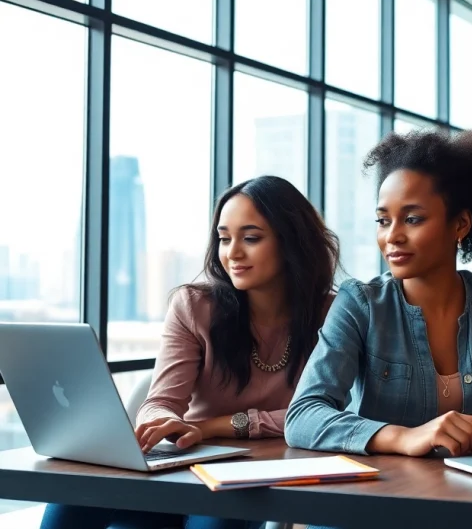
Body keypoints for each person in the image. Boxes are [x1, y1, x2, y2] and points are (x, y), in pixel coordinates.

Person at [40, 176, 340, 529]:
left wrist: (209, 427)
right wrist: (159, 421)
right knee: (72, 496)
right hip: (182, 465)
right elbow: (159, 401)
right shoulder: (195, 306)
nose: (232, 253)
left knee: (214, 522)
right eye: (224, 238)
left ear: (292, 242)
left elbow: (322, 414)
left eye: (251, 238)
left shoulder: (332, 314)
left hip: (255, 473)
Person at [284, 130, 472, 497]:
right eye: (383, 221)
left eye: (413, 219)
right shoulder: (361, 303)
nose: (393, 237)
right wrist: (403, 437)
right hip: (379, 501)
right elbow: (303, 416)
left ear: (460, 225)